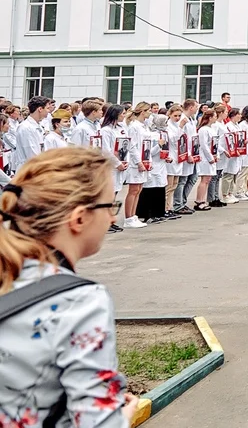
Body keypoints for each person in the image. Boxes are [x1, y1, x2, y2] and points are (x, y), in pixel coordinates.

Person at [0, 147, 138, 426]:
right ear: (79, 218)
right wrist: (121, 416)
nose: (113, 218)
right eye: (110, 205)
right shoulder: (80, 300)